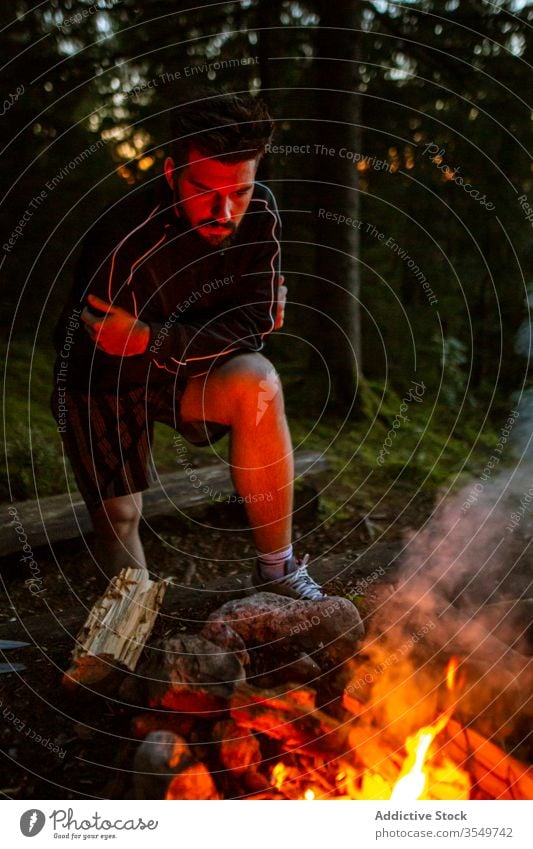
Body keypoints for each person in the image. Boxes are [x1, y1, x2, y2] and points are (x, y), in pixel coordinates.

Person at [51, 89, 325, 601]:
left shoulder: (261, 212)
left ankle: (277, 571)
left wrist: (153, 338)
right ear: (171, 171)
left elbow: (259, 320)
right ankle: (130, 621)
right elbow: (109, 345)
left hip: (177, 368)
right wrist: (232, 326)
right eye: (206, 190)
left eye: (239, 192)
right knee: (119, 514)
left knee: (258, 381)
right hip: (102, 380)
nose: (224, 211)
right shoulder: (122, 237)